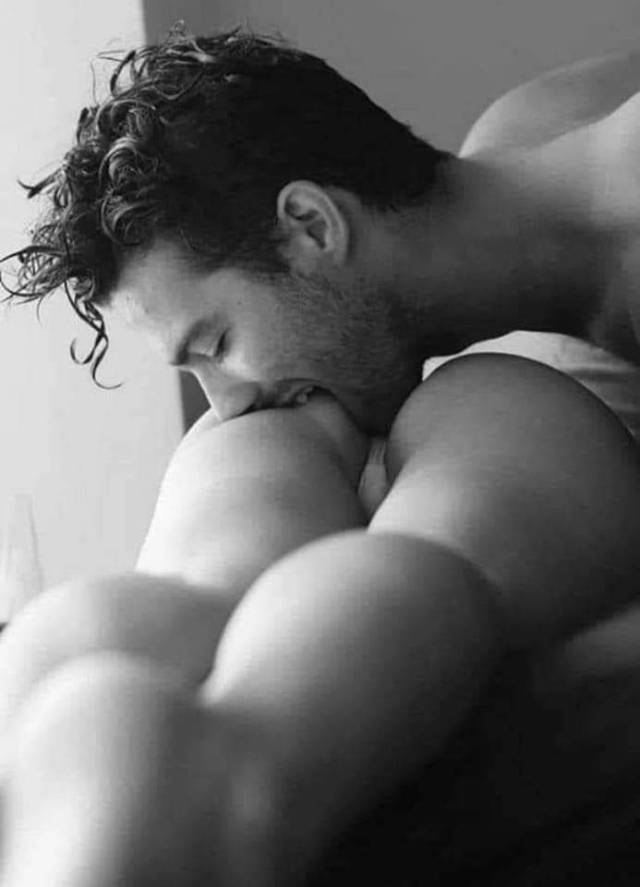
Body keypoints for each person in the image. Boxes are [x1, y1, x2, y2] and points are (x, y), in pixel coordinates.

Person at [2, 25, 640, 885]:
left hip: (536, 473)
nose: (224, 401)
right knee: (267, 453)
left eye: (215, 343)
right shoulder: (526, 126)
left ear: (311, 223)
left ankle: (204, 769)